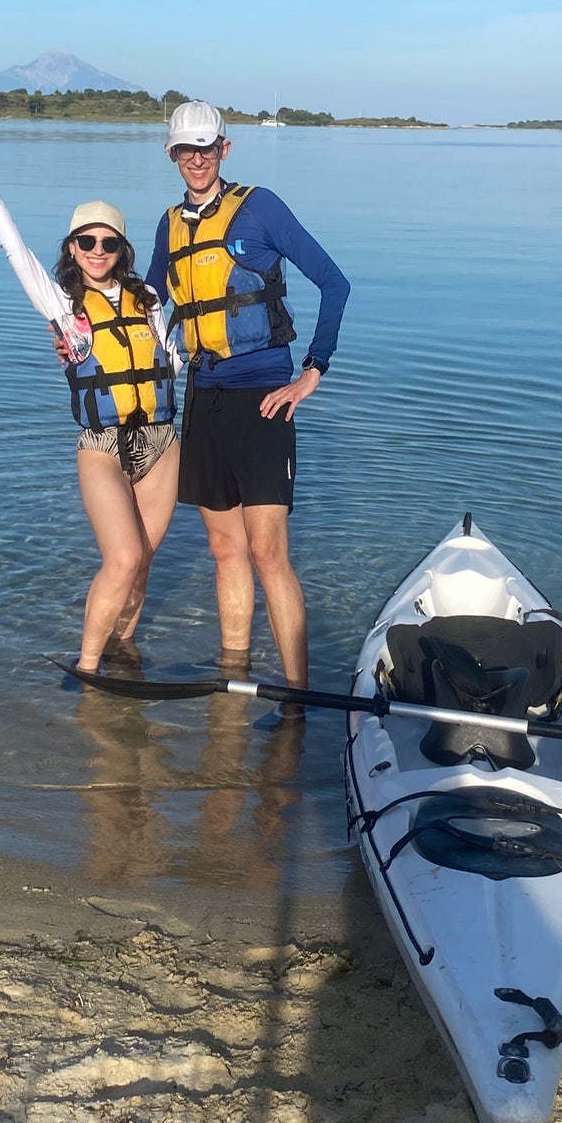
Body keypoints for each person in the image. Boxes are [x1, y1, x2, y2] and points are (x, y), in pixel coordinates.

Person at [0, 134, 180, 674]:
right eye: (85, 242)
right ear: (71, 247)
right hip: (103, 446)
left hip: (162, 443)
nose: (97, 252)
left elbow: (174, 360)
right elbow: (15, 250)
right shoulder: (63, 304)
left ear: (123, 250)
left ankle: (121, 654)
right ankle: (89, 672)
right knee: (124, 557)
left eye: (108, 244)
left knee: (143, 567)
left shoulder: (151, 301)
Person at [146, 101, 350, 693]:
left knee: (267, 551)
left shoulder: (260, 207)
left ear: (224, 150)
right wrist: (80, 340)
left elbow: (335, 283)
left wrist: (312, 372)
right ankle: (233, 674)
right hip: (203, 397)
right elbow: (146, 306)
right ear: (172, 156)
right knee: (223, 546)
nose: (197, 159)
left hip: (265, 397)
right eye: (186, 150)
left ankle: (297, 696)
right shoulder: (169, 224)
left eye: (206, 148)